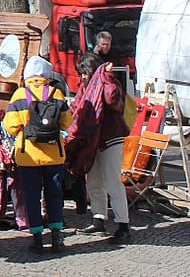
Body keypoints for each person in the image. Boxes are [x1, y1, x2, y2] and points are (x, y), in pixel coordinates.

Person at [2, 56, 74, 255]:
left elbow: (10, 125)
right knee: (54, 195)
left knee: (32, 196)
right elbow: (67, 123)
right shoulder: (57, 94)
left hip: (28, 155)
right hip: (54, 154)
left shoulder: (19, 95)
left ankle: (37, 238)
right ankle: (57, 236)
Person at [67, 53, 131, 243]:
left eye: (84, 73)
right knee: (94, 182)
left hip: (110, 138)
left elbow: (112, 100)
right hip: (92, 140)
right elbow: (77, 107)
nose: (83, 77)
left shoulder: (108, 83)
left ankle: (123, 225)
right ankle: (99, 219)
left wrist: (106, 77)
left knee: (112, 182)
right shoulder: (86, 87)